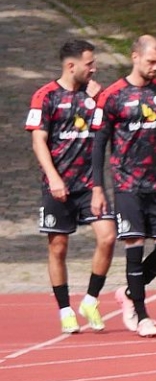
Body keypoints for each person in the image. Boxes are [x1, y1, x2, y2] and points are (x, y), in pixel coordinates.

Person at [94, 35, 156, 338]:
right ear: (134, 57)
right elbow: (99, 145)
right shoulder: (113, 96)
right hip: (127, 184)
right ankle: (142, 312)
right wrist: (97, 187)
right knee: (134, 246)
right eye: (151, 61)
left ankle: (128, 292)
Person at [25, 38, 113, 334]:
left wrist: (99, 100)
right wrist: (53, 177)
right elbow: (38, 141)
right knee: (58, 246)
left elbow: (106, 130)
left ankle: (90, 300)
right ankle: (65, 309)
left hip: (90, 184)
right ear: (71, 66)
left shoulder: (95, 95)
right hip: (59, 184)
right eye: (89, 64)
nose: (94, 68)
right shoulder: (45, 96)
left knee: (108, 237)